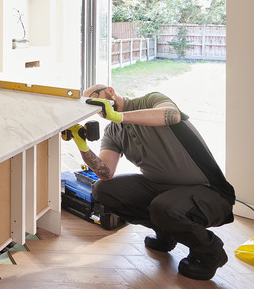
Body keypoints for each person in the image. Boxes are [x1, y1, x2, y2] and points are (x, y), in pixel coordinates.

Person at [66, 85, 235, 280]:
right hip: (160, 187)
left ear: (110, 91)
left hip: (209, 191)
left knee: (164, 207)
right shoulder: (113, 130)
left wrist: (120, 116)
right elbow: (105, 173)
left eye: (96, 99)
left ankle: (210, 253)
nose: (95, 107)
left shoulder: (150, 101)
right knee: (103, 190)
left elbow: (172, 115)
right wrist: (82, 146)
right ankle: (165, 233)